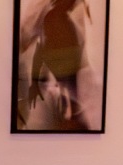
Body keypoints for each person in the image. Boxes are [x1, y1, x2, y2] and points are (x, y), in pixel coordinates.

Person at [23, 0, 92, 131]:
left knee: (69, 90)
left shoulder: (55, 16)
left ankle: (72, 120)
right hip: (60, 55)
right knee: (69, 90)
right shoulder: (53, 16)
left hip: (63, 55)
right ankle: (72, 120)